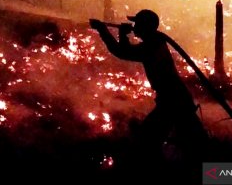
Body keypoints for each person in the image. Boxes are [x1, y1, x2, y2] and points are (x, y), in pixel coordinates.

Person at [89, 9, 209, 173]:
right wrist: (121, 35)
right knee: (195, 144)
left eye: (137, 23)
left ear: (145, 26)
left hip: (172, 102)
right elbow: (126, 51)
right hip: (175, 99)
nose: (134, 26)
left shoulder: (152, 45)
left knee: (148, 139)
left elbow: (122, 52)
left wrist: (104, 31)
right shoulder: (156, 40)